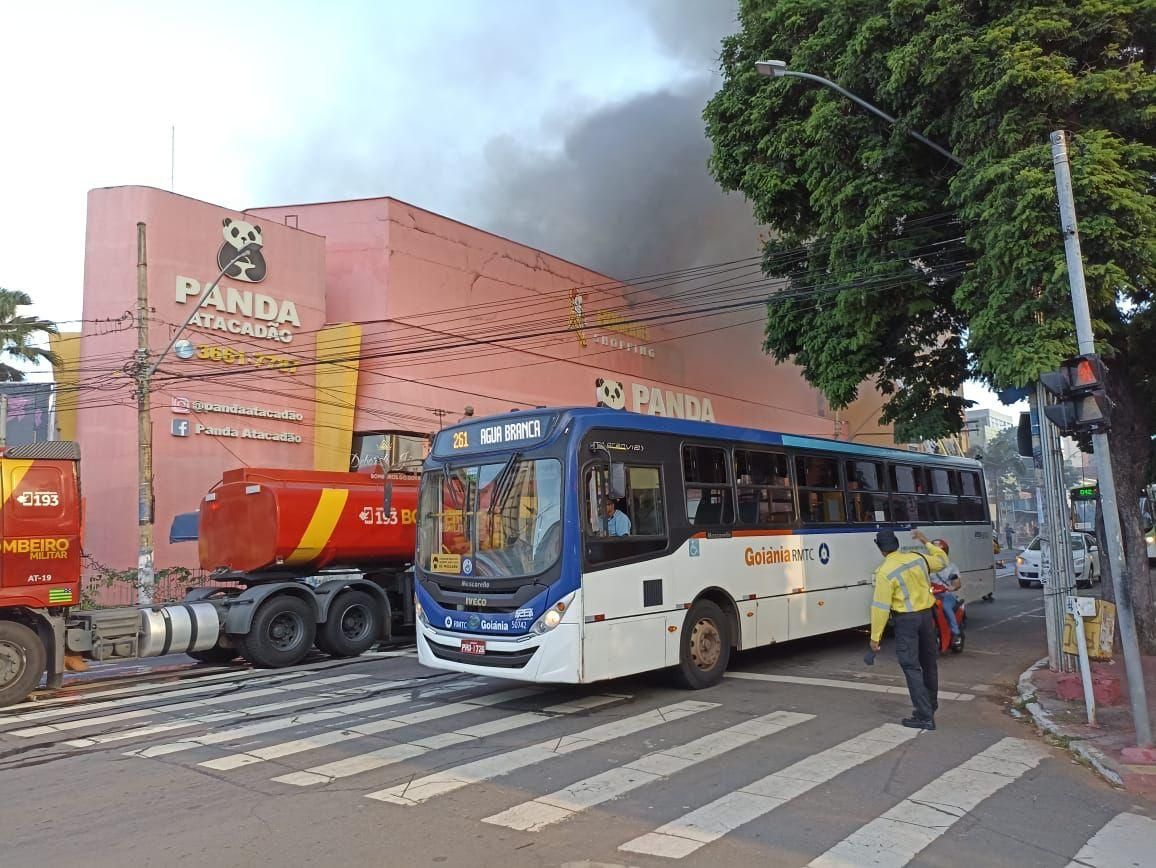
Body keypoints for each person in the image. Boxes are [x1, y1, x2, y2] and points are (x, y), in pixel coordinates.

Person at [868, 528, 948, 730]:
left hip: (906, 622)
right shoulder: (918, 558)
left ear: (880, 549)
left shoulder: (885, 572)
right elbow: (942, 560)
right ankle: (930, 705)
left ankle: (924, 716)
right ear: (897, 543)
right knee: (929, 663)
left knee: (911, 666)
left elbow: (880, 607)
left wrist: (875, 638)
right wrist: (925, 541)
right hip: (926, 617)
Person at [929, 538, 963, 652]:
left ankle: (956, 633)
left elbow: (957, 583)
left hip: (945, 595)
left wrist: (952, 587)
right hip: (930, 595)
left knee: (946, 607)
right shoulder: (926, 567)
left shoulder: (951, 567)